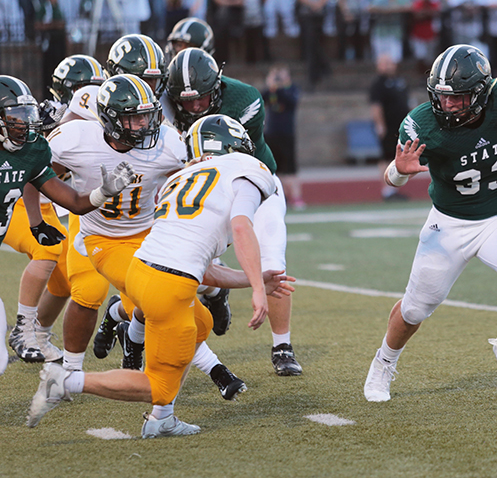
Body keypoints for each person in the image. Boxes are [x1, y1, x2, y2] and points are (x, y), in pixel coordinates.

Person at [27, 114, 295, 437]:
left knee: (201, 324)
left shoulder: (180, 180)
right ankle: (67, 381)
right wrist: (256, 287)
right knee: (157, 385)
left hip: (142, 269)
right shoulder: (248, 170)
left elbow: (203, 267)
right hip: (169, 285)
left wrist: (255, 281)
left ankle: (161, 417)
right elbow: (241, 226)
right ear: (236, 147)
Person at [363, 44, 497, 402]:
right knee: (415, 308)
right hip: (450, 222)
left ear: (482, 93)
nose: (448, 104)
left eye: (457, 97)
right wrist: (399, 172)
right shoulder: (421, 123)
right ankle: (383, 363)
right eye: (442, 96)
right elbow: (390, 178)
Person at [164, 46, 302, 377]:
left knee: (271, 261)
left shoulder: (245, 100)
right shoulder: (164, 105)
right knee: (176, 262)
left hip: (252, 184)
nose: (194, 106)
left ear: (218, 85)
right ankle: (209, 291)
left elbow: (236, 160)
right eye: (186, 101)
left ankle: (282, 345)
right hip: (198, 193)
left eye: (201, 97)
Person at [0, 75, 135, 364]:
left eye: (26, 115)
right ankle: (26, 331)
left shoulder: (30, 151)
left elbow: (73, 201)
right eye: (15, 117)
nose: (23, 124)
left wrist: (102, 192)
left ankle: (35, 333)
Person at [369, 54, 411, 202]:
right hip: (389, 127)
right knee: (387, 157)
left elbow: (407, 102)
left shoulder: (400, 81)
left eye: (391, 63)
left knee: (400, 158)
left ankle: (395, 189)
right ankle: (387, 190)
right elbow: (376, 106)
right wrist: (380, 125)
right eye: (385, 63)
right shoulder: (378, 85)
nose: (389, 66)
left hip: (403, 126)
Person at [264, 65, 303, 208]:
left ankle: (296, 197)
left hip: (287, 133)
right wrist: (270, 85)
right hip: (272, 133)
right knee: (275, 168)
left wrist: (279, 87)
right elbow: (262, 99)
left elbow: (291, 101)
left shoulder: (292, 89)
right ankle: (282, 196)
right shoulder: (271, 91)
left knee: (291, 168)